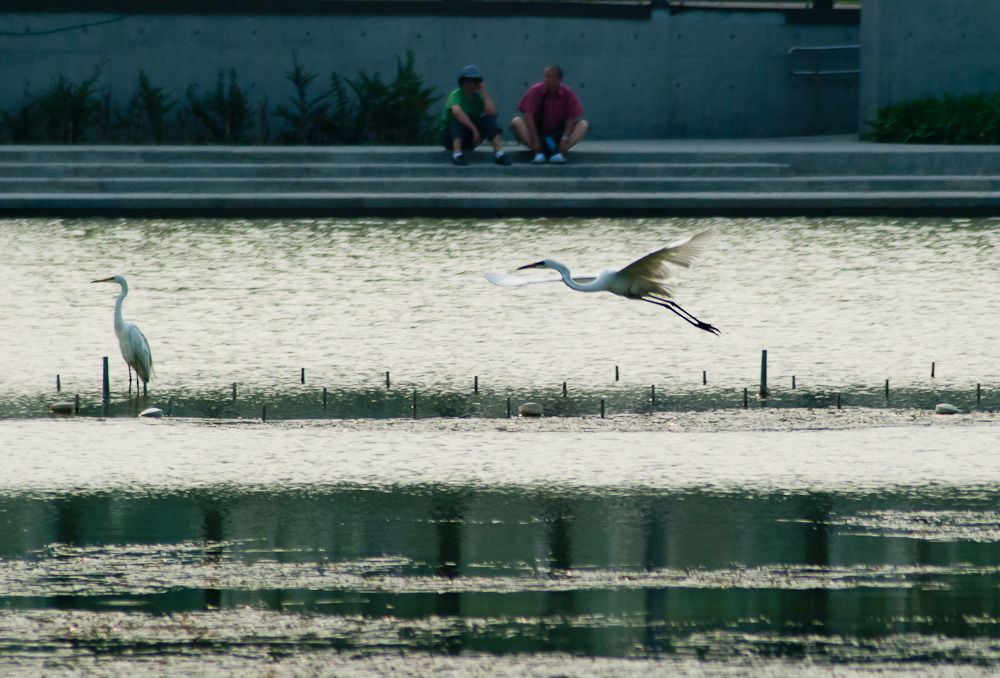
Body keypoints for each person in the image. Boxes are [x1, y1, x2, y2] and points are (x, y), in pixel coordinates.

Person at [511, 65, 588, 164]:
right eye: (545, 76)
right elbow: (528, 115)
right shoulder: (535, 91)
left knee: (583, 124)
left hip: (558, 134)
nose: (546, 79)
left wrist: (564, 139)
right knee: (516, 122)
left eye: (550, 77)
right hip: (537, 133)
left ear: (559, 80)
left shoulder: (568, 93)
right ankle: (538, 154)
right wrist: (535, 139)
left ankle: (559, 154)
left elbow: (571, 119)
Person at [439, 65, 511, 166]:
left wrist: (483, 93)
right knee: (457, 118)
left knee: (488, 119)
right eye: (468, 80)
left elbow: (492, 112)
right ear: (462, 82)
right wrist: (474, 129)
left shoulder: (478, 98)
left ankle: (499, 154)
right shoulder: (456, 94)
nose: (471, 83)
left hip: (470, 138)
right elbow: (457, 112)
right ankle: (457, 154)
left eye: (474, 80)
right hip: (449, 137)